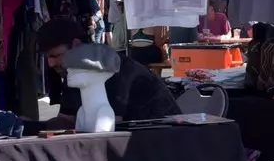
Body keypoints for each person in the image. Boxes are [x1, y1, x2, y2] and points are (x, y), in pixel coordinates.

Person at [37, 17, 180, 127]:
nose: (50, 64)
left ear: (76, 45)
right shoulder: (75, 73)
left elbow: (109, 131)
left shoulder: (114, 70)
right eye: (47, 58)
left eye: (55, 56)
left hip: (162, 144)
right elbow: (66, 120)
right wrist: (28, 126)